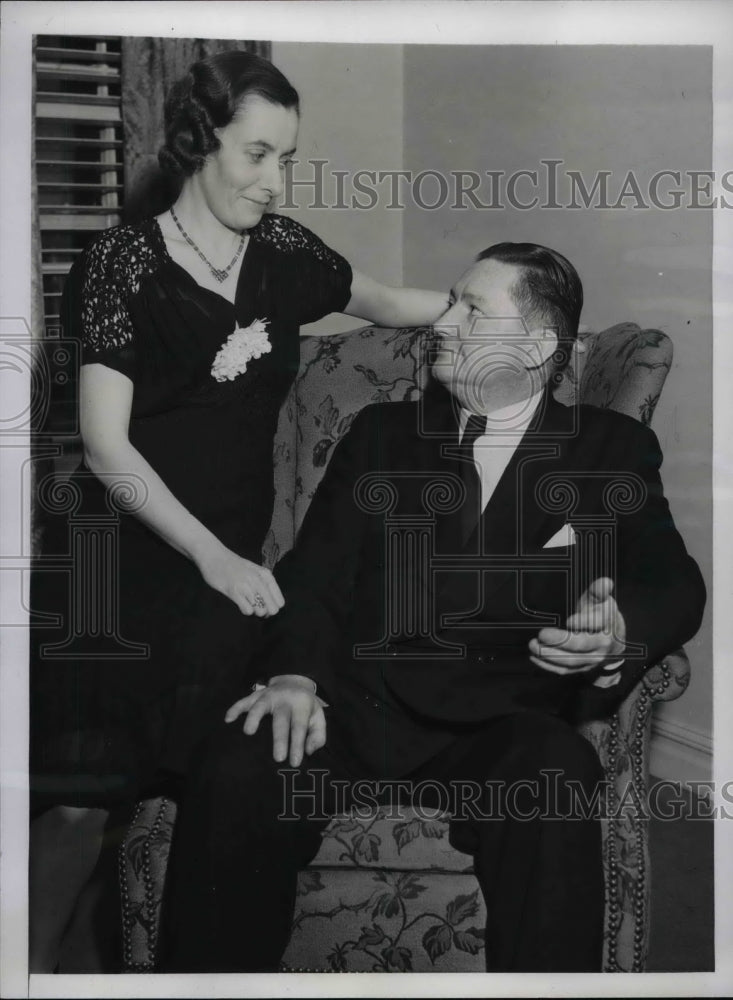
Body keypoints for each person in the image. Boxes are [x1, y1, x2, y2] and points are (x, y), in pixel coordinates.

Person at [160, 242, 706, 973]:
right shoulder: (383, 436)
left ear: (538, 343)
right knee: (240, 761)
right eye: (449, 301)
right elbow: (316, 574)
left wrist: (619, 632)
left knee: (555, 774)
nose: (441, 322)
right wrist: (294, 677)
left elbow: (672, 581)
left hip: (502, 723)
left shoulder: (608, 449)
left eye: (470, 308)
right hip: (356, 709)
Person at [28, 49, 449, 973]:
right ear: (196, 142)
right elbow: (106, 448)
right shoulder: (117, 264)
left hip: (224, 579)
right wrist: (213, 557)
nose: (275, 179)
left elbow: (383, 297)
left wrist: (478, 312)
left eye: (288, 158)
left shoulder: (285, 253)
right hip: (118, 566)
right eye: (256, 154)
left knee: (202, 786)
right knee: (77, 806)